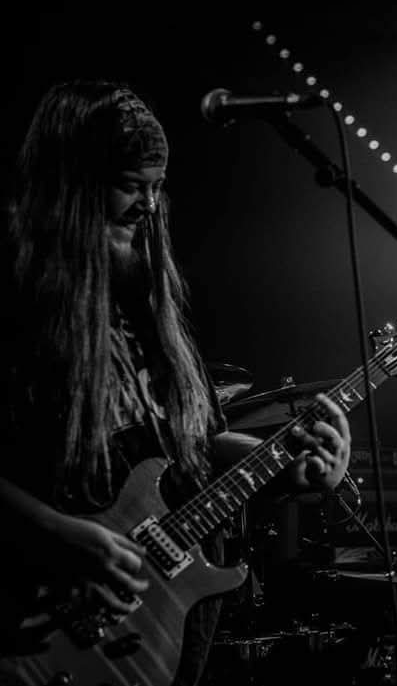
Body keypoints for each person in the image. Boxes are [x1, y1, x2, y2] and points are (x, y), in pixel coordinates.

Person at [0, 80, 352, 686]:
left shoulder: (142, 294)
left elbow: (166, 452)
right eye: (130, 186)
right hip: (34, 623)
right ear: (69, 189)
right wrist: (55, 537)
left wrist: (283, 469)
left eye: (156, 187)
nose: (148, 207)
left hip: (159, 627)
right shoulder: (16, 289)